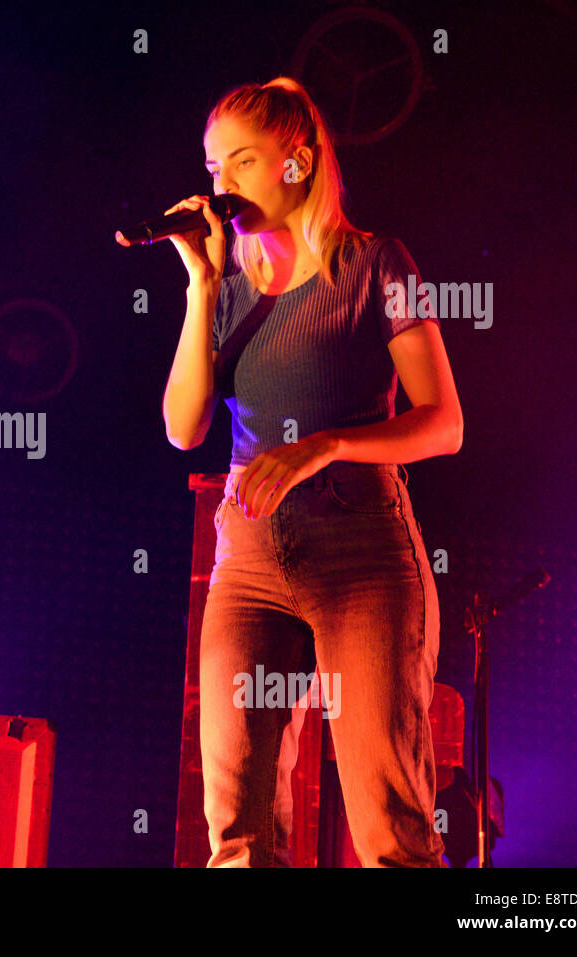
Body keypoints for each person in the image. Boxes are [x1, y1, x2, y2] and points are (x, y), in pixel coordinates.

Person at [161, 77, 463, 867]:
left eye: (243, 161)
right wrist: (200, 287)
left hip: (362, 551)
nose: (221, 183)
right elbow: (183, 427)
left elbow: (444, 423)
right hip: (252, 561)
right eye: (213, 165)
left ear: (297, 164)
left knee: (389, 826)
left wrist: (322, 444)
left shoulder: (374, 263)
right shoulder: (227, 287)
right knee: (237, 828)